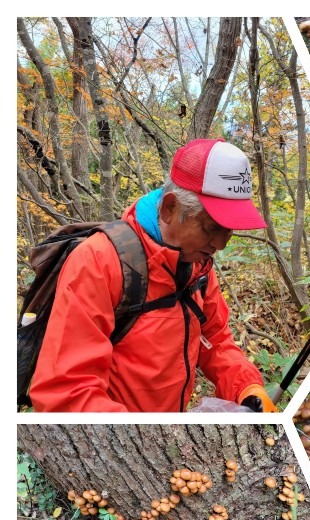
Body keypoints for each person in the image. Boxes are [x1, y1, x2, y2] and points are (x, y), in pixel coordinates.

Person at [30, 139, 277, 413]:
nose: (221, 245)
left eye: (229, 231)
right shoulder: (100, 261)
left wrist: (246, 387)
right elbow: (66, 391)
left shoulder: (197, 263)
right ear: (170, 208)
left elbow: (215, 340)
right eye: (211, 228)